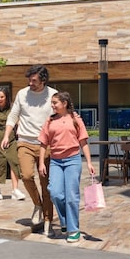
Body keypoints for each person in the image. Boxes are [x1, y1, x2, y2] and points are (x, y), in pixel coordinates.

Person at [1, 64, 57, 226]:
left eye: (33, 80)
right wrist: (6, 135)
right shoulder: (22, 94)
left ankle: (47, 219)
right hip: (24, 142)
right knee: (25, 176)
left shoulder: (53, 95)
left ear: (43, 80)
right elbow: (13, 116)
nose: (30, 83)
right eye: (29, 80)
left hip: (45, 146)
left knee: (46, 183)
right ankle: (37, 204)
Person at [38, 91, 95, 242]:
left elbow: (83, 142)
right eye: (52, 103)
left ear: (64, 104)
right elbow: (43, 143)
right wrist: (41, 162)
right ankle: (65, 222)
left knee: (71, 197)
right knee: (55, 193)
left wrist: (89, 162)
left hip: (73, 160)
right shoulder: (49, 121)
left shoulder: (76, 119)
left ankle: (73, 230)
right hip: (56, 161)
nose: (52, 105)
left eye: (55, 103)